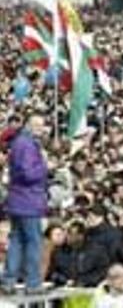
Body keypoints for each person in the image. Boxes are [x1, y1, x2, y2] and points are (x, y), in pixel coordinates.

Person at [0, 114, 49, 294]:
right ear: (28, 125)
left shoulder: (20, 143)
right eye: (36, 124)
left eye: (42, 125)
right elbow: (28, 174)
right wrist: (44, 166)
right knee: (34, 242)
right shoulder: (27, 144)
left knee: (17, 241)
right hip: (29, 200)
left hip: (18, 200)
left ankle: (8, 281)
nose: (40, 128)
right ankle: (33, 283)